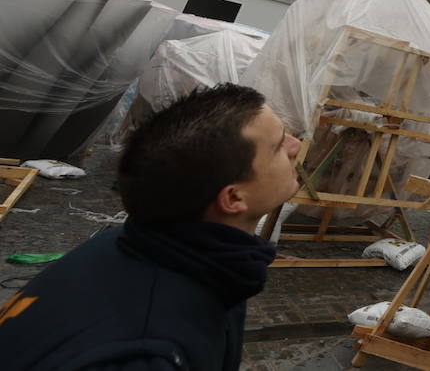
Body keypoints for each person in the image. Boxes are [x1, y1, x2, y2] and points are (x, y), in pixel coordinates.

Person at [0, 84, 301, 370]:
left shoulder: (140, 246)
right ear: (234, 197)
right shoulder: (149, 351)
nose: (295, 146)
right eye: (277, 146)